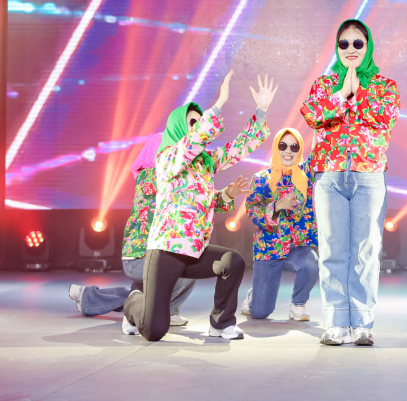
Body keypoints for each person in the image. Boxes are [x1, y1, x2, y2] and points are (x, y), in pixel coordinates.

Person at [122, 70, 277, 341]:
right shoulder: (166, 159)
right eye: (192, 123)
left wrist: (261, 111)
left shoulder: (205, 163)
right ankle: (133, 302)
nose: (197, 127)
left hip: (194, 250)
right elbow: (191, 144)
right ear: (178, 128)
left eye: (199, 122)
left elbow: (238, 148)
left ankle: (221, 323)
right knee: (154, 330)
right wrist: (218, 106)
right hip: (166, 251)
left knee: (233, 261)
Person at [68, 133, 248, 323]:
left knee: (158, 283)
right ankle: (165, 311)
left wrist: (227, 194)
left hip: (161, 252)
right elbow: (190, 194)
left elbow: (197, 199)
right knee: (180, 270)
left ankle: (89, 297)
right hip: (141, 256)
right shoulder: (150, 177)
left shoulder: (176, 177)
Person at [300, 19, 400, 346]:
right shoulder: (325, 84)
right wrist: (342, 93)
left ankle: (362, 324)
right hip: (329, 176)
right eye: (344, 44)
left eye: (358, 43)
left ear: (367, 47)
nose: (351, 49)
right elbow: (312, 114)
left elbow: (386, 117)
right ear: (337, 48)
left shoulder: (384, 85)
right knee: (332, 250)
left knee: (366, 252)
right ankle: (336, 323)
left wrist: (359, 93)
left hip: (368, 176)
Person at [241, 128, 319, 321]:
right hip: (269, 247)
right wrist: (276, 206)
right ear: (276, 147)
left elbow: (320, 149)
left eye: (294, 147)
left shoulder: (306, 174)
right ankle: (254, 295)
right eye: (283, 146)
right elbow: (252, 210)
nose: (288, 151)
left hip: (297, 246)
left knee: (311, 263)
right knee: (259, 312)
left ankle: (298, 305)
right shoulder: (261, 179)